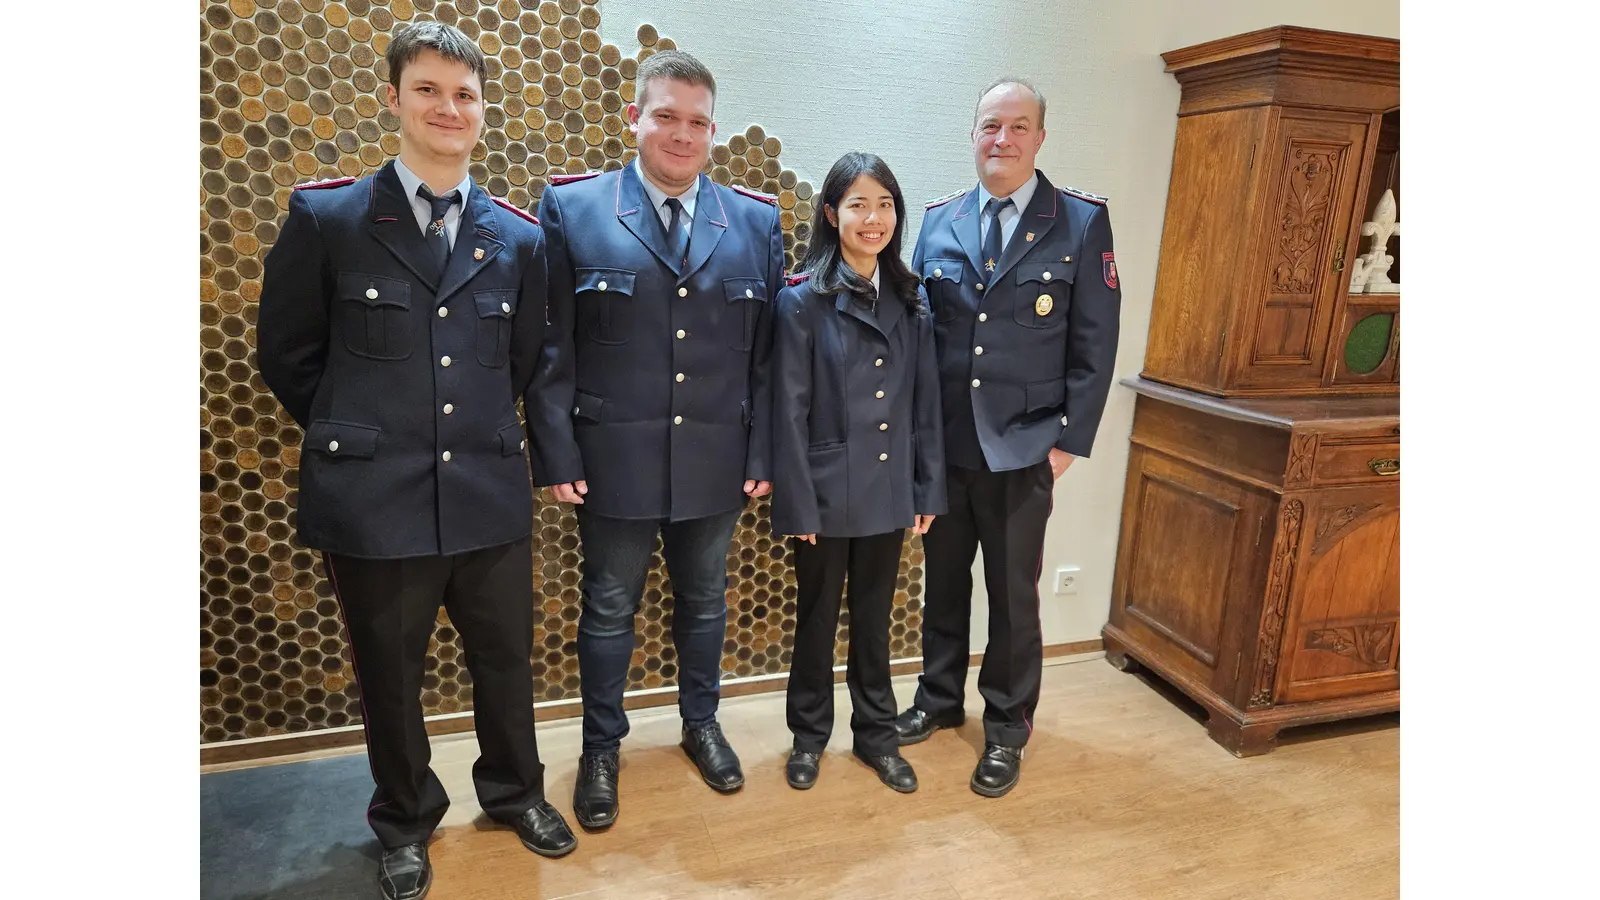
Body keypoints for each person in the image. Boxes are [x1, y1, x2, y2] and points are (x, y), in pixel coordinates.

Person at [258, 21, 577, 900]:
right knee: (390, 677)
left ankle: (514, 794)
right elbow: (290, 357)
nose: (448, 108)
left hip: (485, 488)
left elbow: (525, 361)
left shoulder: (516, 239)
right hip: (374, 498)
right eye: (429, 90)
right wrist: (361, 435)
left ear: (484, 111)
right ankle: (404, 820)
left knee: (507, 661)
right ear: (393, 98)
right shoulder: (329, 218)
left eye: (465, 94)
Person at [529, 49, 784, 830]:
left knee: (706, 603)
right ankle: (602, 747)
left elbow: (772, 357)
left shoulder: (754, 220)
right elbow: (550, 345)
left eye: (697, 121)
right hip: (613, 458)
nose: (681, 133)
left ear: (714, 130)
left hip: (718, 457)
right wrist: (557, 453)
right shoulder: (574, 209)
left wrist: (765, 451)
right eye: (665, 115)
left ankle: (701, 725)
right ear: (634, 117)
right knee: (608, 608)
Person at [896, 77, 1122, 798]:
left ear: (1040, 138)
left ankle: (1007, 726)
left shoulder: (1081, 223)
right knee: (942, 584)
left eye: (1018, 127)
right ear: (973, 134)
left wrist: (1068, 443)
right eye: (991, 126)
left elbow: (1096, 343)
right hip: (948, 445)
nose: (1003, 139)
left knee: (1013, 596)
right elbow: (921, 336)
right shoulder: (938, 221)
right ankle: (936, 699)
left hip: (1026, 447)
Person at [771, 152, 946, 794]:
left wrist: (926, 487)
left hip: (890, 489)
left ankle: (876, 735)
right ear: (831, 214)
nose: (874, 219)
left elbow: (925, 403)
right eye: (858, 205)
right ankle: (808, 738)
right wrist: (798, 504)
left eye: (885, 205)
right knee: (816, 620)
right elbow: (786, 410)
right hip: (823, 493)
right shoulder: (801, 301)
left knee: (875, 621)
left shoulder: (911, 297)